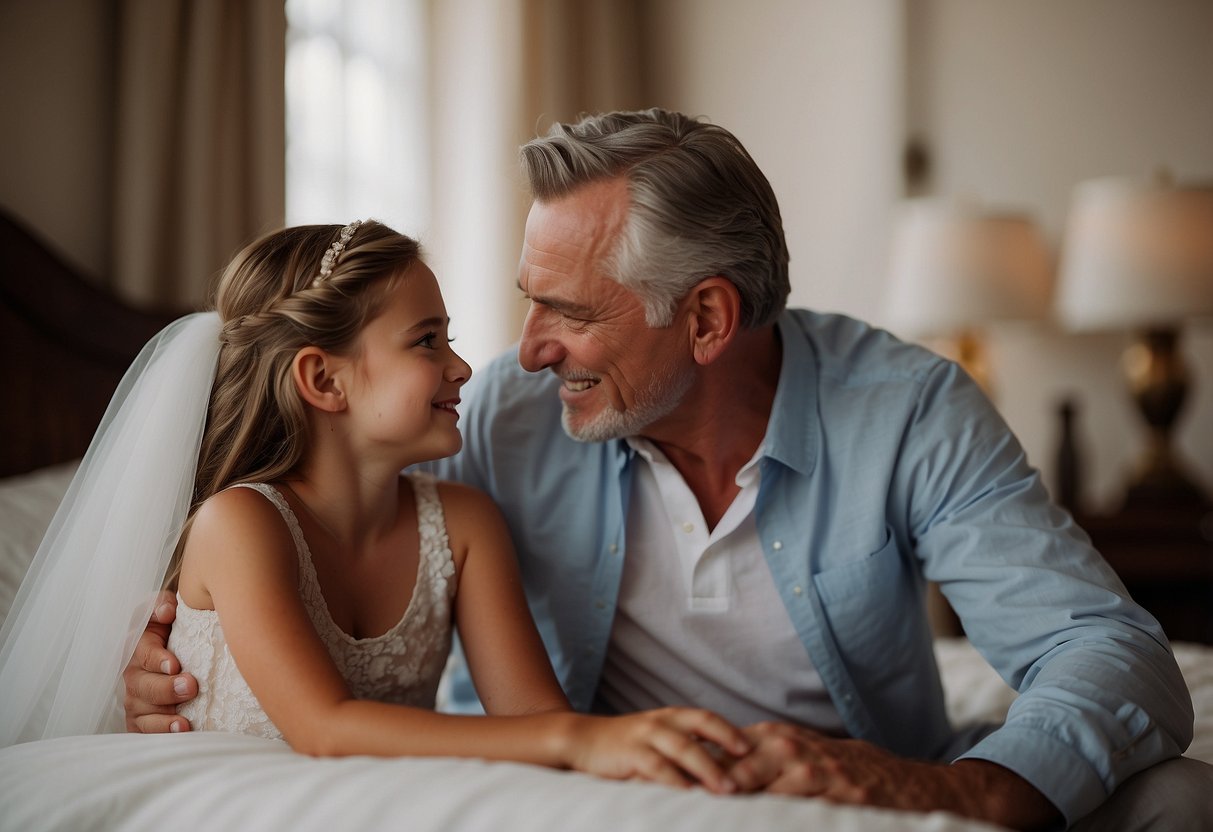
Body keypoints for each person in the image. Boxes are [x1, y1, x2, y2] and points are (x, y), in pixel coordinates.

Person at [124, 110, 1205, 829]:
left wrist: (969, 789)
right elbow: (311, 556)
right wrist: (170, 652)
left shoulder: (908, 410)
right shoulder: (502, 412)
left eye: (569, 310)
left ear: (707, 317)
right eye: (523, 301)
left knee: (1175, 797)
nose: (523, 347)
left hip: (864, 792)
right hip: (614, 792)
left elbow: (1102, 646)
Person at [0, 219, 753, 792]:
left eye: (449, 338)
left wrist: (619, 747)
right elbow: (324, 728)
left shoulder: (461, 523)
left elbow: (535, 720)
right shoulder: (242, 524)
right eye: (426, 342)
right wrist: (581, 743)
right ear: (323, 381)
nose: (462, 366)